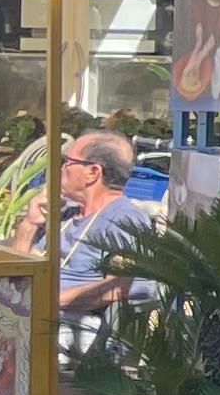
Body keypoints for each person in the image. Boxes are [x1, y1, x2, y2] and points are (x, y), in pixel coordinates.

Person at [56, 131, 153, 316]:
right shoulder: (66, 212)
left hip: (73, 322)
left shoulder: (125, 219)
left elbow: (117, 288)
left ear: (93, 172)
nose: (61, 169)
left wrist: (50, 299)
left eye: (67, 162)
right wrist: (29, 224)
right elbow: (22, 266)